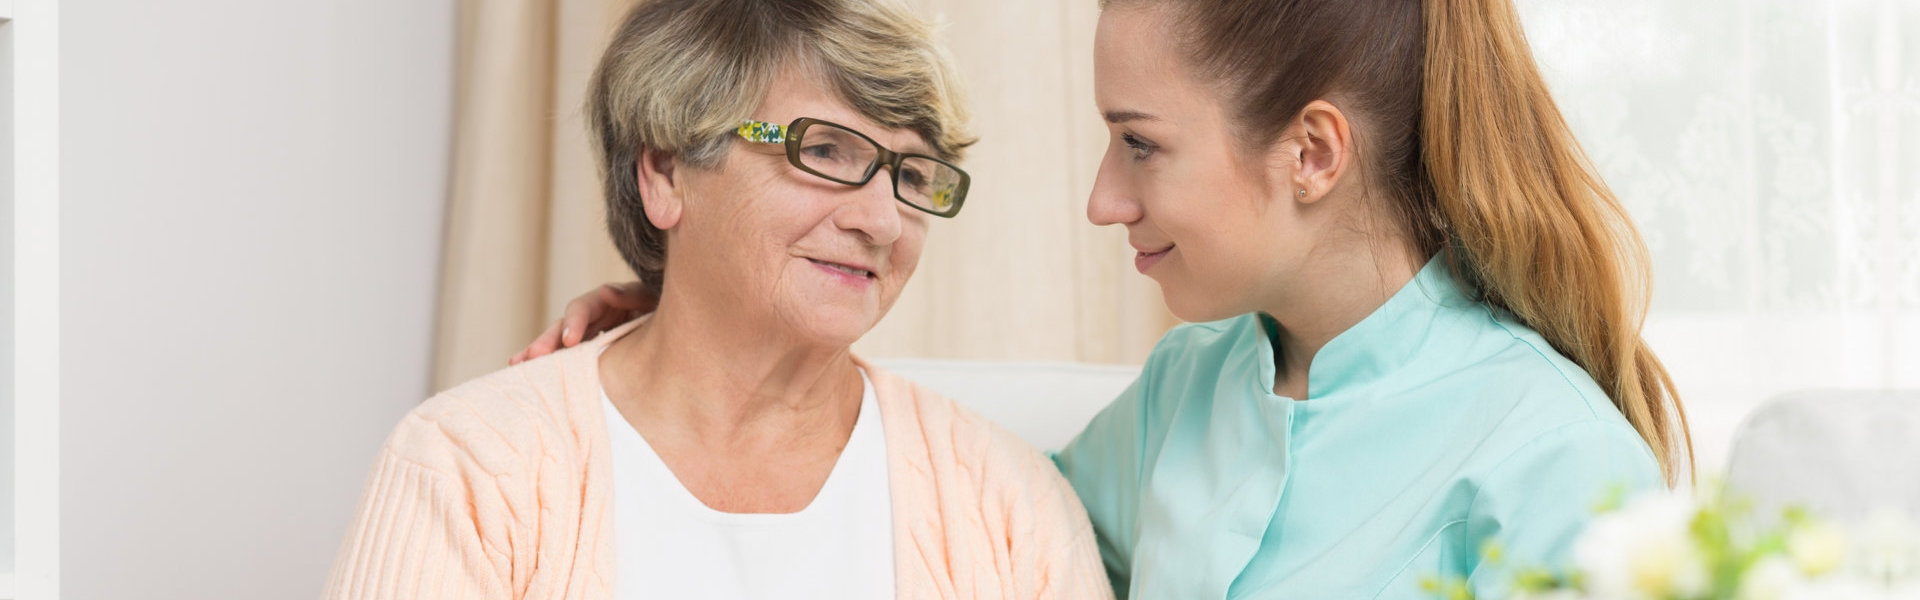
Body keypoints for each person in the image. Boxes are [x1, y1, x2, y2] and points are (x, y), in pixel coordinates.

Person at [523, 0, 1694, 597]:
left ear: (1314, 154)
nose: (1101, 199)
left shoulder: (1552, 460)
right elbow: (964, 525)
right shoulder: (1193, 387)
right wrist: (696, 333)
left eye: (1140, 145)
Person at [325, 0, 1111, 598]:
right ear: (665, 173)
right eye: (826, 150)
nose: (881, 220)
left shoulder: (1009, 503)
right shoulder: (466, 468)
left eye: (910, 175)